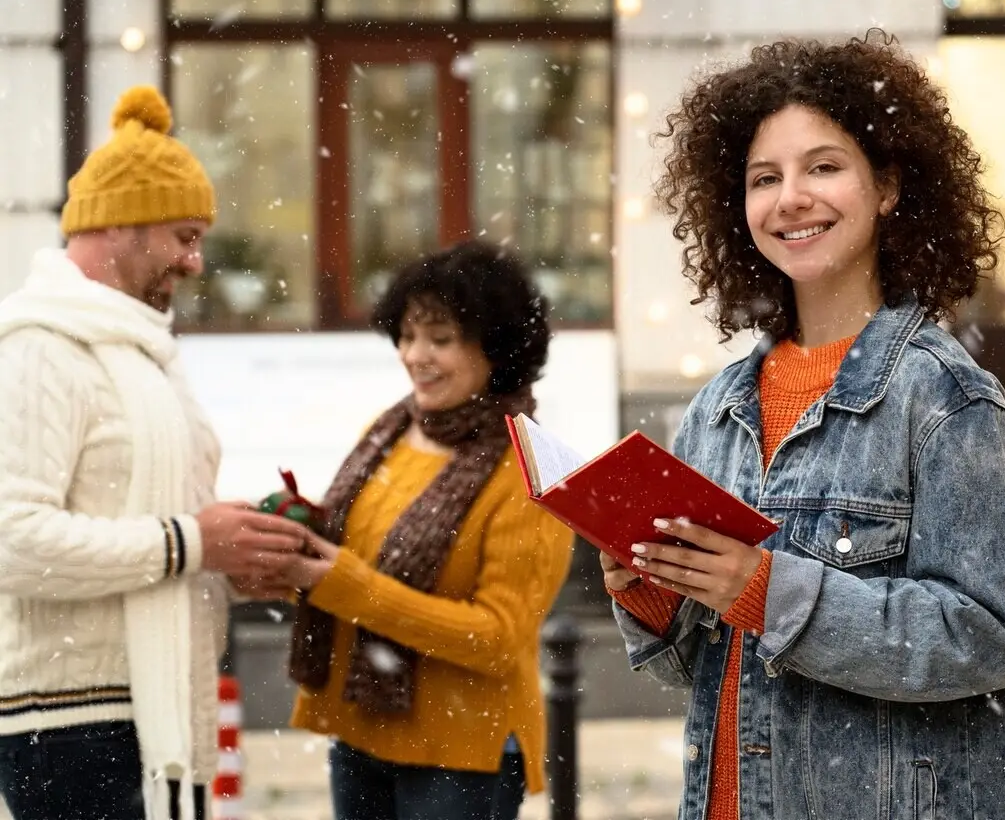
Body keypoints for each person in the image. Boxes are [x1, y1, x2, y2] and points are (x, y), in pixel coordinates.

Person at [601, 30, 1005, 820]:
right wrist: (653, 598)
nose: (791, 198)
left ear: (890, 189)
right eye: (764, 177)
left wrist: (767, 591)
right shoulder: (716, 410)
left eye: (825, 167)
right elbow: (710, 670)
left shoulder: (946, 401)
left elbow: (987, 640)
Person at [0, 86, 314, 820]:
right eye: (183, 235)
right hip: (71, 722)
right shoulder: (41, 350)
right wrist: (193, 542)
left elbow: (163, 543)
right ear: (121, 224)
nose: (197, 261)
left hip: (148, 711)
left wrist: (238, 560)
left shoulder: (142, 356)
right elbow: (11, 540)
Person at [283, 242, 574, 820]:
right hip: (363, 727)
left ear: (497, 351)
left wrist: (343, 583)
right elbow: (359, 552)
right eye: (408, 335)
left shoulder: (529, 470)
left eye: (441, 340)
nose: (416, 356)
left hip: (462, 753)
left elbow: (498, 637)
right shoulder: (388, 431)